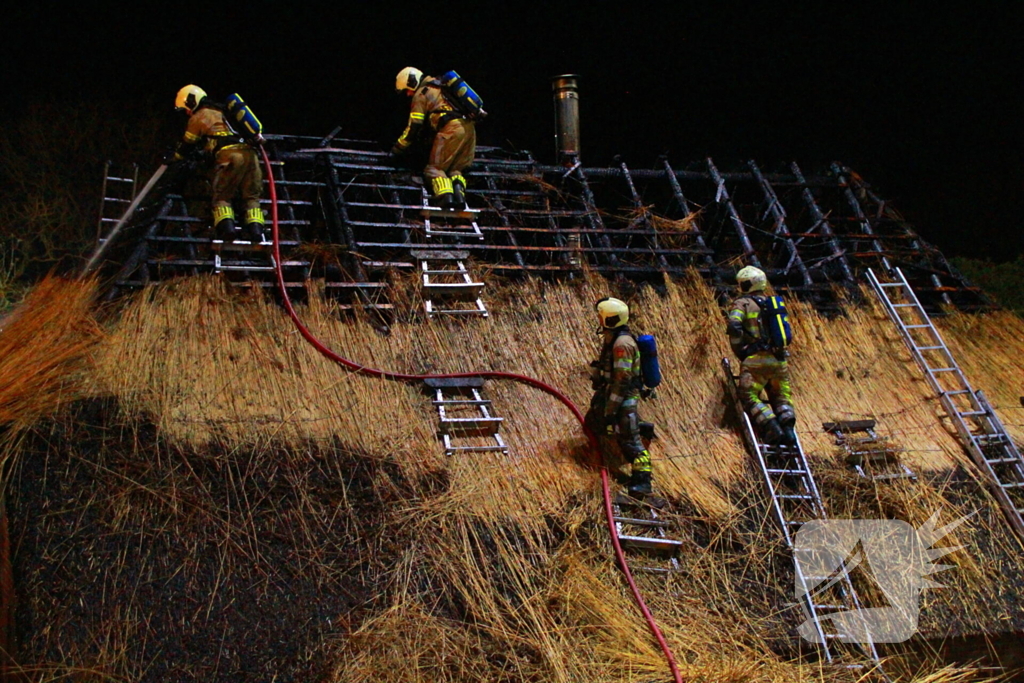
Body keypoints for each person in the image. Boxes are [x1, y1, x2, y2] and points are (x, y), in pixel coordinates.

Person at [171, 85, 265, 242]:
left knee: (222, 196)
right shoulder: (225, 111)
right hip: (251, 155)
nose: (187, 113)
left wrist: (175, 157)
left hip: (229, 156)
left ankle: (227, 231)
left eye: (186, 109)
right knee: (251, 197)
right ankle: (256, 232)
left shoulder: (199, 116)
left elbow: (188, 143)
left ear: (190, 102)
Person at [589, 297, 654, 496]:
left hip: (625, 396)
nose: (599, 321)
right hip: (613, 393)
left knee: (630, 439)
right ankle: (638, 427)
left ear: (611, 319)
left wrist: (611, 410)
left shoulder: (622, 344)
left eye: (602, 317)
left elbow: (622, 380)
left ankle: (643, 481)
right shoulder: (614, 339)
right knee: (594, 421)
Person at [726, 266, 797, 445]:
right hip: (778, 360)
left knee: (748, 396)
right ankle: (789, 430)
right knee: (781, 395)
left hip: (755, 361)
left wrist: (741, 351)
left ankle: (771, 426)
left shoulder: (742, 303)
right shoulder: (773, 304)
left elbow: (733, 325)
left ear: (746, 284)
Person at [390, 67, 476, 211]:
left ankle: (445, 199)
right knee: (455, 170)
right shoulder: (441, 86)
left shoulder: (422, 93)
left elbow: (414, 126)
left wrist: (397, 149)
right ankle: (459, 197)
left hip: (451, 130)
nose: (408, 94)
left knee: (434, 169)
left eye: (407, 90)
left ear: (412, 82)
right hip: (469, 130)